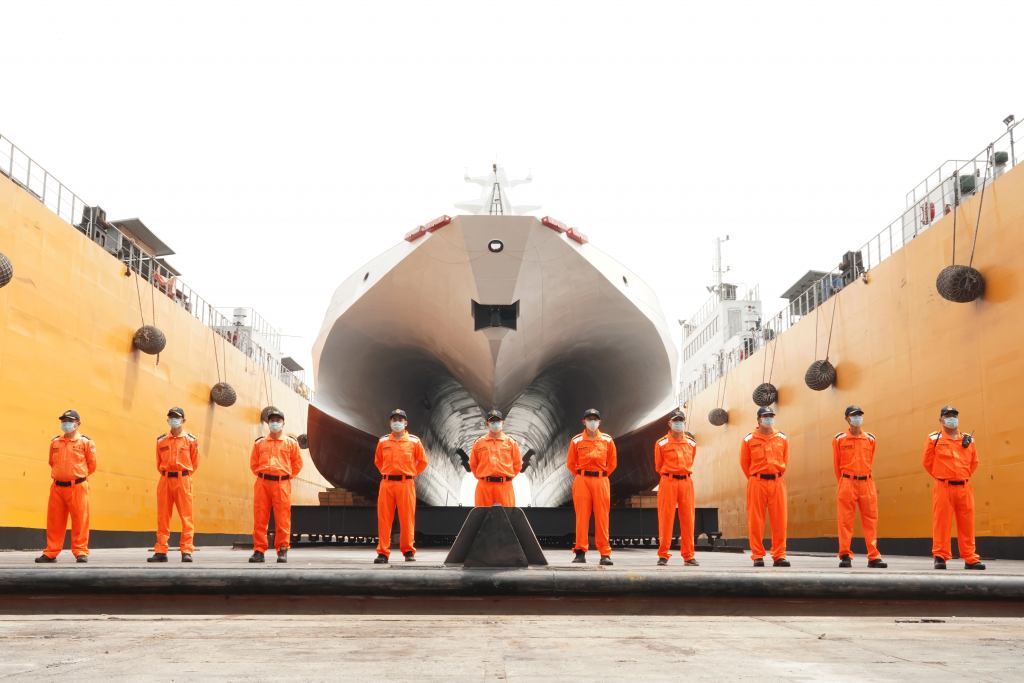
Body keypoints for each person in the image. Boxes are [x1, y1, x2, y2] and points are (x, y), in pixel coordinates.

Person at [923, 406, 985, 570]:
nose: (952, 418)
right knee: (941, 522)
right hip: (943, 486)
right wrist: (942, 476)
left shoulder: (968, 439)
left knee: (967, 523)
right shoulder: (933, 439)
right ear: (941, 420)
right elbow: (927, 462)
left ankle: (970, 558)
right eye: (948, 416)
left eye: (954, 415)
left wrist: (962, 476)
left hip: (964, 486)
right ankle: (940, 556)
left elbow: (974, 462)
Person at [36, 410, 96, 563]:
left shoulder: (86, 442)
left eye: (69, 421)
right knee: (54, 521)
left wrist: (76, 476)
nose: (66, 423)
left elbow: (92, 465)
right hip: (57, 487)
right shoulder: (55, 442)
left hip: (78, 486)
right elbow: (52, 462)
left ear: (78, 424)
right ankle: (51, 552)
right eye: (63, 421)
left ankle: (81, 551)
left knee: (80, 520)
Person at [833, 405, 886, 568]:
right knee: (845, 520)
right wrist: (844, 482)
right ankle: (845, 555)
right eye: (853, 415)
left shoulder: (870, 439)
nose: (857, 418)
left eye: (859, 415)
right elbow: (837, 464)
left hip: (867, 482)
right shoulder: (839, 439)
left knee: (871, 520)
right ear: (847, 419)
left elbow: (871, 458)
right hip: (847, 482)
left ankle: (874, 556)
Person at [374, 409, 428, 564]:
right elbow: (378, 461)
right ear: (390, 423)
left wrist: (411, 474)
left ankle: (408, 551)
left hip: (406, 484)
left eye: (400, 419)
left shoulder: (414, 441)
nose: (397, 422)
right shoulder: (383, 441)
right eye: (394, 419)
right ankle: (383, 553)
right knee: (384, 519)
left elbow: (423, 461)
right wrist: (387, 473)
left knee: (407, 519)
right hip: (387, 484)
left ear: (406, 423)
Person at [249, 408, 303, 564]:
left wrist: (286, 476)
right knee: (260, 518)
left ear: (283, 424)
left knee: (283, 518)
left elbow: (297, 463)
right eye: (272, 421)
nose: (274, 423)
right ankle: (259, 551)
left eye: (278, 421)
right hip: (263, 482)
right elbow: (254, 463)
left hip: (282, 484)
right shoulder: (259, 443)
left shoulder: (291, 443)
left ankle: (283, 550)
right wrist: (264, 474)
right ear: (268, 423)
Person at [740, 406, 790, 567]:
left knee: (780, 520)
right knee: (755, 520)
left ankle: (779, 555)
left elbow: (785, 460)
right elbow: (744, 463)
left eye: (771, 416)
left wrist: (775, 474)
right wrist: (755, 478)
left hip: (777, 481)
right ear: (758, 419)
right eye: (765, 416)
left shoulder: (782, 438)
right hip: (757, 482)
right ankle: (757, 555)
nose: (769, 419)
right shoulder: (749, 439)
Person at [149, 407, 200, 563]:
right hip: (165, 479)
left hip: (183, 479)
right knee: (163, 517)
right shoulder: (161, 440)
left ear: (183, 421)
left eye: (177, 418)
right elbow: (159, 463)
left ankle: (186, 551)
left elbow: (195, 462)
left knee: (186, 517)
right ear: (168, 420)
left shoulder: (191, 440)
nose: (173, 420)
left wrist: (183, 474)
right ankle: (161, 551)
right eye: (171, 417)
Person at [566, 409, 617, 566]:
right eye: (589, 419)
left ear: (599, 422)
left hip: (601, 480)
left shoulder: (607, 440)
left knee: (602, 517)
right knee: (582, 517)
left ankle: (605, 554)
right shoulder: (576, 441)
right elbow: (570, 463)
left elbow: (613, 462)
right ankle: (580, 552)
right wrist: (582, 474)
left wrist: (600, 475)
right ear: (584, 422)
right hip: (582, 480)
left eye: (595, 419)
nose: (592, 422)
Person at [654, 409, 699, 566]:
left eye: (681, 420)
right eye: (675, 421)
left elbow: (691, 461)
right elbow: (658, 466)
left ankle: (688, 555)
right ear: (669, 423)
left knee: (688, 519)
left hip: (686, 482)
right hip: (668, 482)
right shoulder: (661, 443)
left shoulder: (692, 443)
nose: (678, 423)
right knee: (666, 518)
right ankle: (663, 555)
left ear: (684, 422)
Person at [470, 410, 522, 507]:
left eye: (498, 421)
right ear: (487, 424)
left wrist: (506, 478)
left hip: (505, 487)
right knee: (482, 517)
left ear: (502, 423)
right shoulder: (478, 443)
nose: (495, 423)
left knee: (506, 517)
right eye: (492, 421)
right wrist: (483, 478)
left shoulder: (511, 442)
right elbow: (473, 464)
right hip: (484, 487)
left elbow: (517, 465)